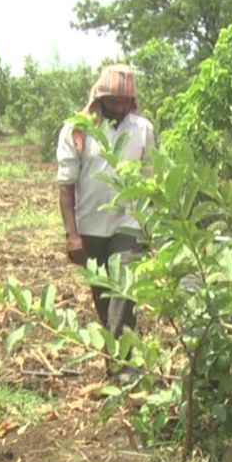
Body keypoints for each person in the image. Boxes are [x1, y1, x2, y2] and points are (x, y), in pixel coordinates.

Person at [55, 63, 156, 335]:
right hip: (91, 226)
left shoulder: (143, 129)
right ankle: (118, 360)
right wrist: (72, 236)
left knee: (124, 289)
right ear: (100, 98)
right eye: (114, 101)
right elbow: (66, 186)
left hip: (129, 224)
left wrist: (152, 227)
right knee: (104, 298)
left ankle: (125, 369)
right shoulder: (77, 130)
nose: (120, 107)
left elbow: (151, 180)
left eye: (125, 101)